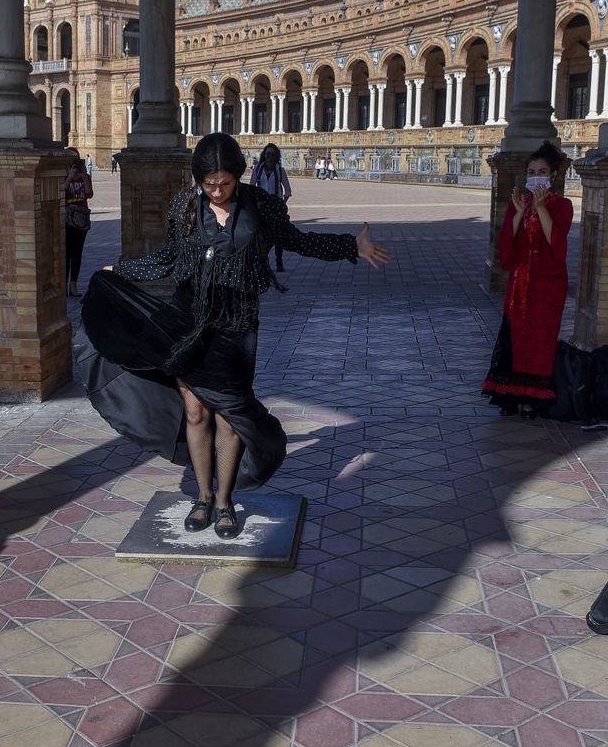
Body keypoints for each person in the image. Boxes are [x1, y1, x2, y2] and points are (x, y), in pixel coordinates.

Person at [78, 133, 390, 540]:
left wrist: (351, 245)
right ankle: (203, 496)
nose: (218, 191)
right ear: (199, 179)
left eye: (225, 183)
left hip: (237, 325)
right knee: (195, 411)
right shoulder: (186, 207)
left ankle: (225, 502)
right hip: (188, 321)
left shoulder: (261, 206)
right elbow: (169, 257)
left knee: (229, 416)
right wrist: (120, 272)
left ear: (238, 177)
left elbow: (298, 241)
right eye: (210, 184)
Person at [481, 142, 574, 419]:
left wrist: (542, 208)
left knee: (540, 341)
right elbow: (506, 248)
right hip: (519, 286)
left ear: (553, 175)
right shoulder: (518, 203)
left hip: (547, 287)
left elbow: (556, 245)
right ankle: (511, 394)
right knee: (516, 339)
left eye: (542, 171)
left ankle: (533, 399)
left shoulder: (562, 206)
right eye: (532, 171)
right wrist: (520, 213)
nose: (536, 176)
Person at [248, 143, 292, 271]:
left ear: (276, 156)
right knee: (262, 235)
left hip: (276, 207)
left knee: (278, 236)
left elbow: (287, 190)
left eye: (272, 154)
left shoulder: (280, 170)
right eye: (267, 154)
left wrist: (281, 204)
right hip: (261, 207)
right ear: (264, 155)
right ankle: (262, 262)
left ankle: (279, 261)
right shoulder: (257, 169)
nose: (269, 157)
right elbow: (252, 187)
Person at [63, 154, 93, 297]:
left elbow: (89, 194)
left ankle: (73, 284)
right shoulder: (64, 179)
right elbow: (61, 192)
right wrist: (69, 177)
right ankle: (64, 284)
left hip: (81, 219)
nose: (75, 170)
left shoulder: (84, 178)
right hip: (67, 219)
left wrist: (85, 178)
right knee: (66, 253)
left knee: (77, 253)